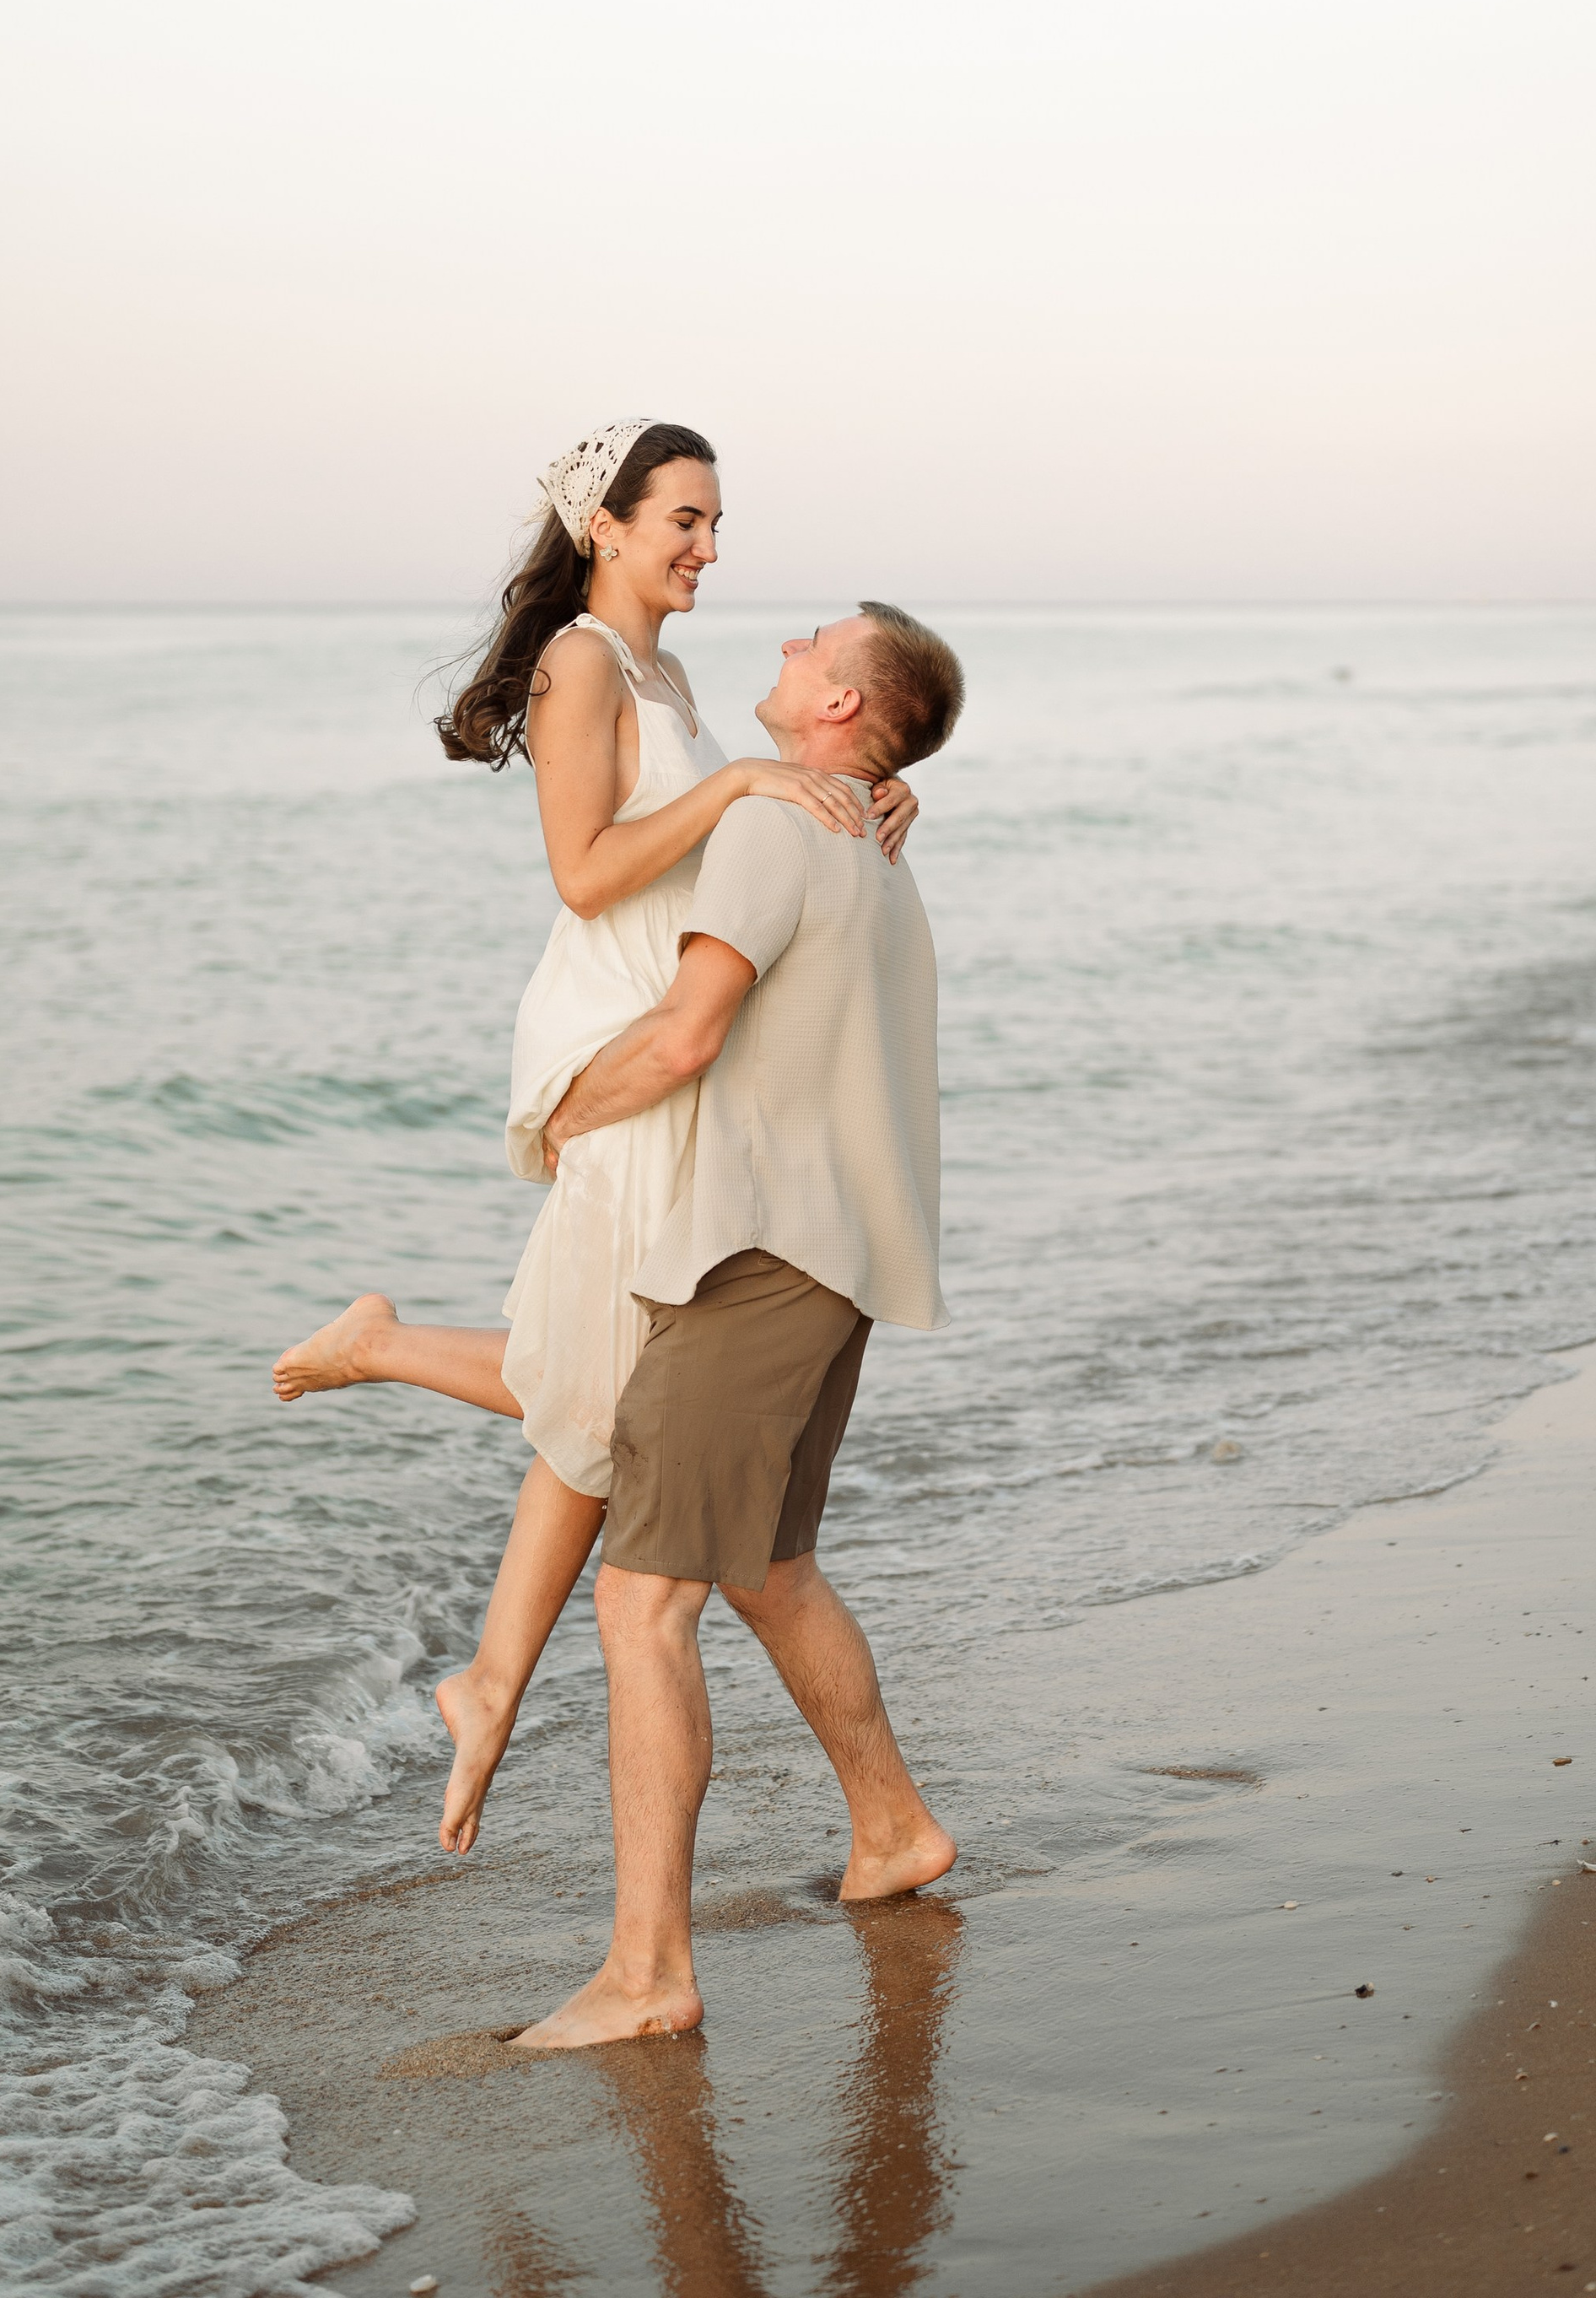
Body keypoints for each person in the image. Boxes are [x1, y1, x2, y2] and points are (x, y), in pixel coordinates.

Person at [270, 420, 921, 1855]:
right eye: (682, 519)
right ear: (605, 528)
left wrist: (865, 788)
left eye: (715, 524)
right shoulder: (579, 659)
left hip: (677, 1041)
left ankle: (489, 1679)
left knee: (614, 1384)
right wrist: (747, 779)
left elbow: (739, 844)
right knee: (617, 1390)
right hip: (619, 1033)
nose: (705, 547)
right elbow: (583, 875)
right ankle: (388, 1371)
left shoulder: (668, 674)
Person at [510, 599, 966, 2050]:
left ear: (839, 705)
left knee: (644, 1602)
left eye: (810, 643)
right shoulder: (876, 848)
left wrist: (561, 1119)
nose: (781, 639)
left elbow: (688, 1030)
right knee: (771, 1563)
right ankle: (890, 1829)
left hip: (760, 1254)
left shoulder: (782, 828)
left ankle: (648, 1974)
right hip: (844, 1261)